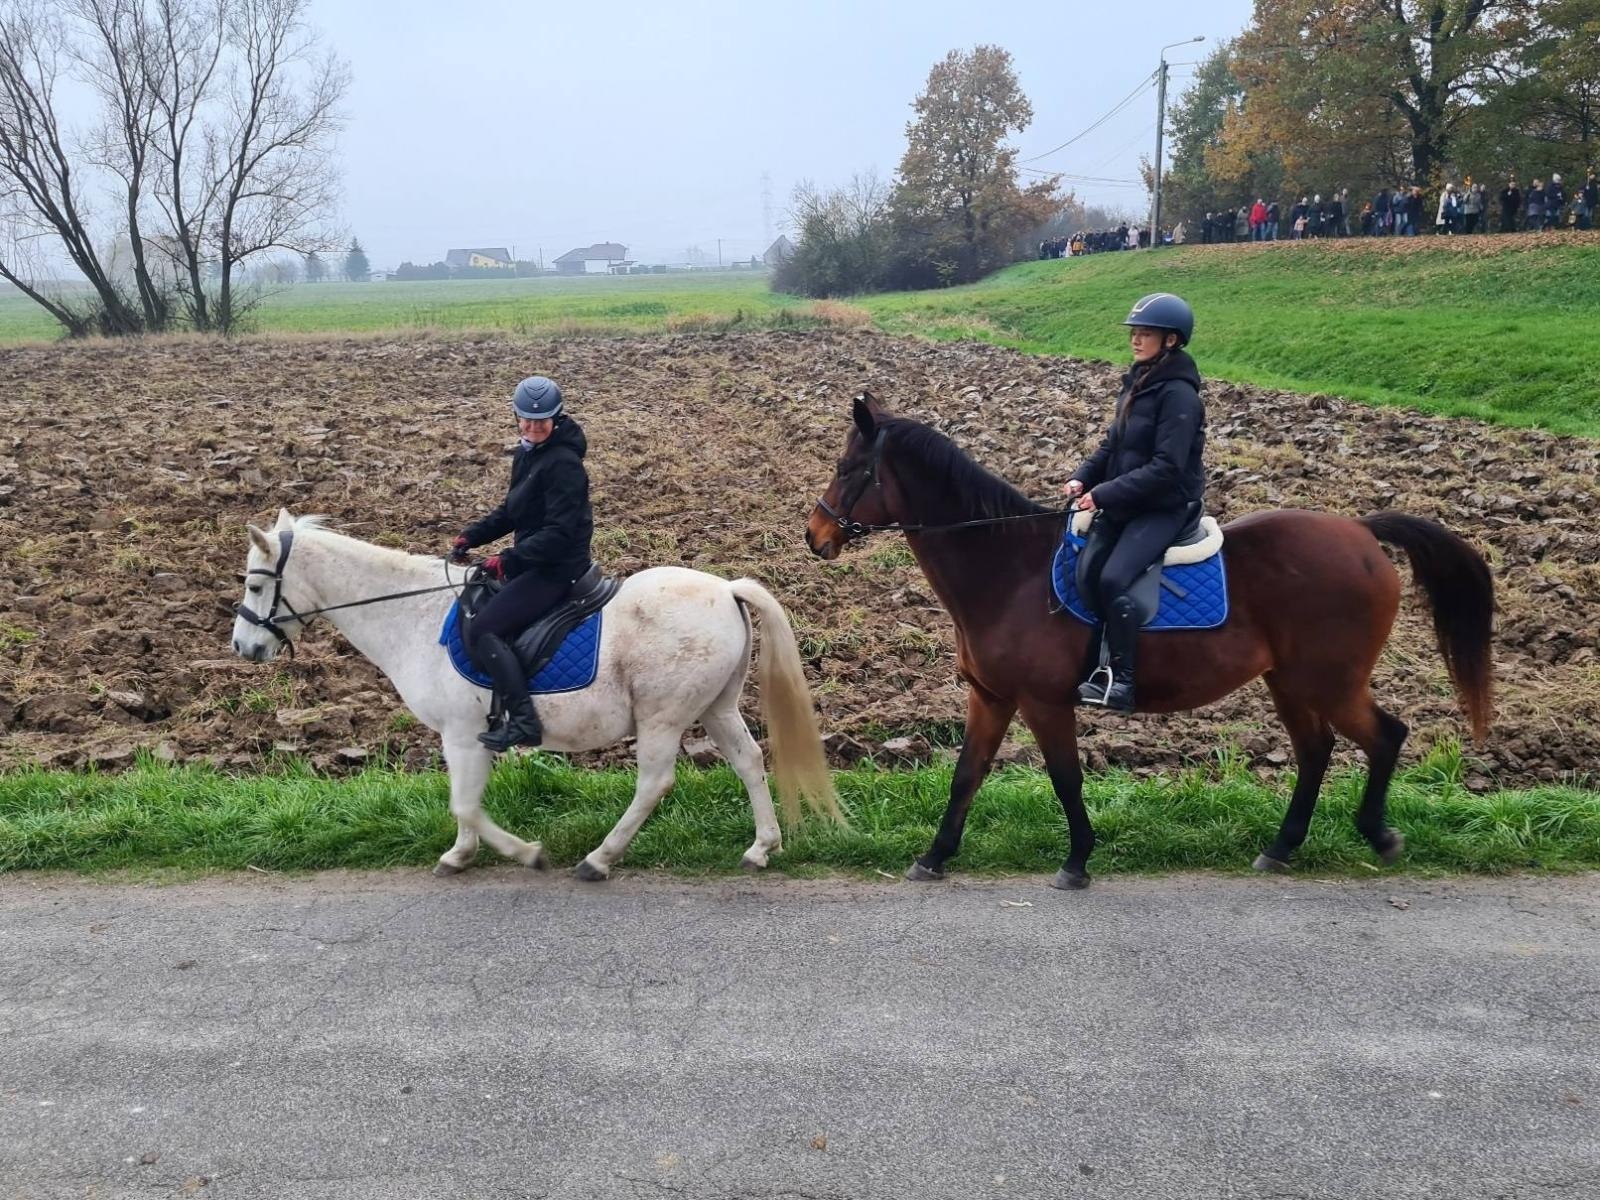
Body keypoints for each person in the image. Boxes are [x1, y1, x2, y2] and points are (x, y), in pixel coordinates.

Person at [1064, 294, 1206, 712]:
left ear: (1172, 341)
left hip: (1164, 507)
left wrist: (1103, 494)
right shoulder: (1138, 384)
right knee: (1086, 572)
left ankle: (1122, 682)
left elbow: (1167, 468)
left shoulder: (1180, 396)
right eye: (1135, 331)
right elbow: (1112, 446)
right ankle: (1093, 665)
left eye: (1146, 332)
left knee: (1113, 579)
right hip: (1127, 503)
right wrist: (1083, 476)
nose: (1136, 338)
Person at [450, 375, 595, 751]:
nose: (533, 427)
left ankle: (524, 722)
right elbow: (514, 510)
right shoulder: (528, 453)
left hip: (557, 568)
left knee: (484, 629)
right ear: (516, 417)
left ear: (557, 417)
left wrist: (509, 560)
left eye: (542, 421)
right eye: (526, 420)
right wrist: (473, 535)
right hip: (536, 559)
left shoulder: (563, 463)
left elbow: (560, 533)